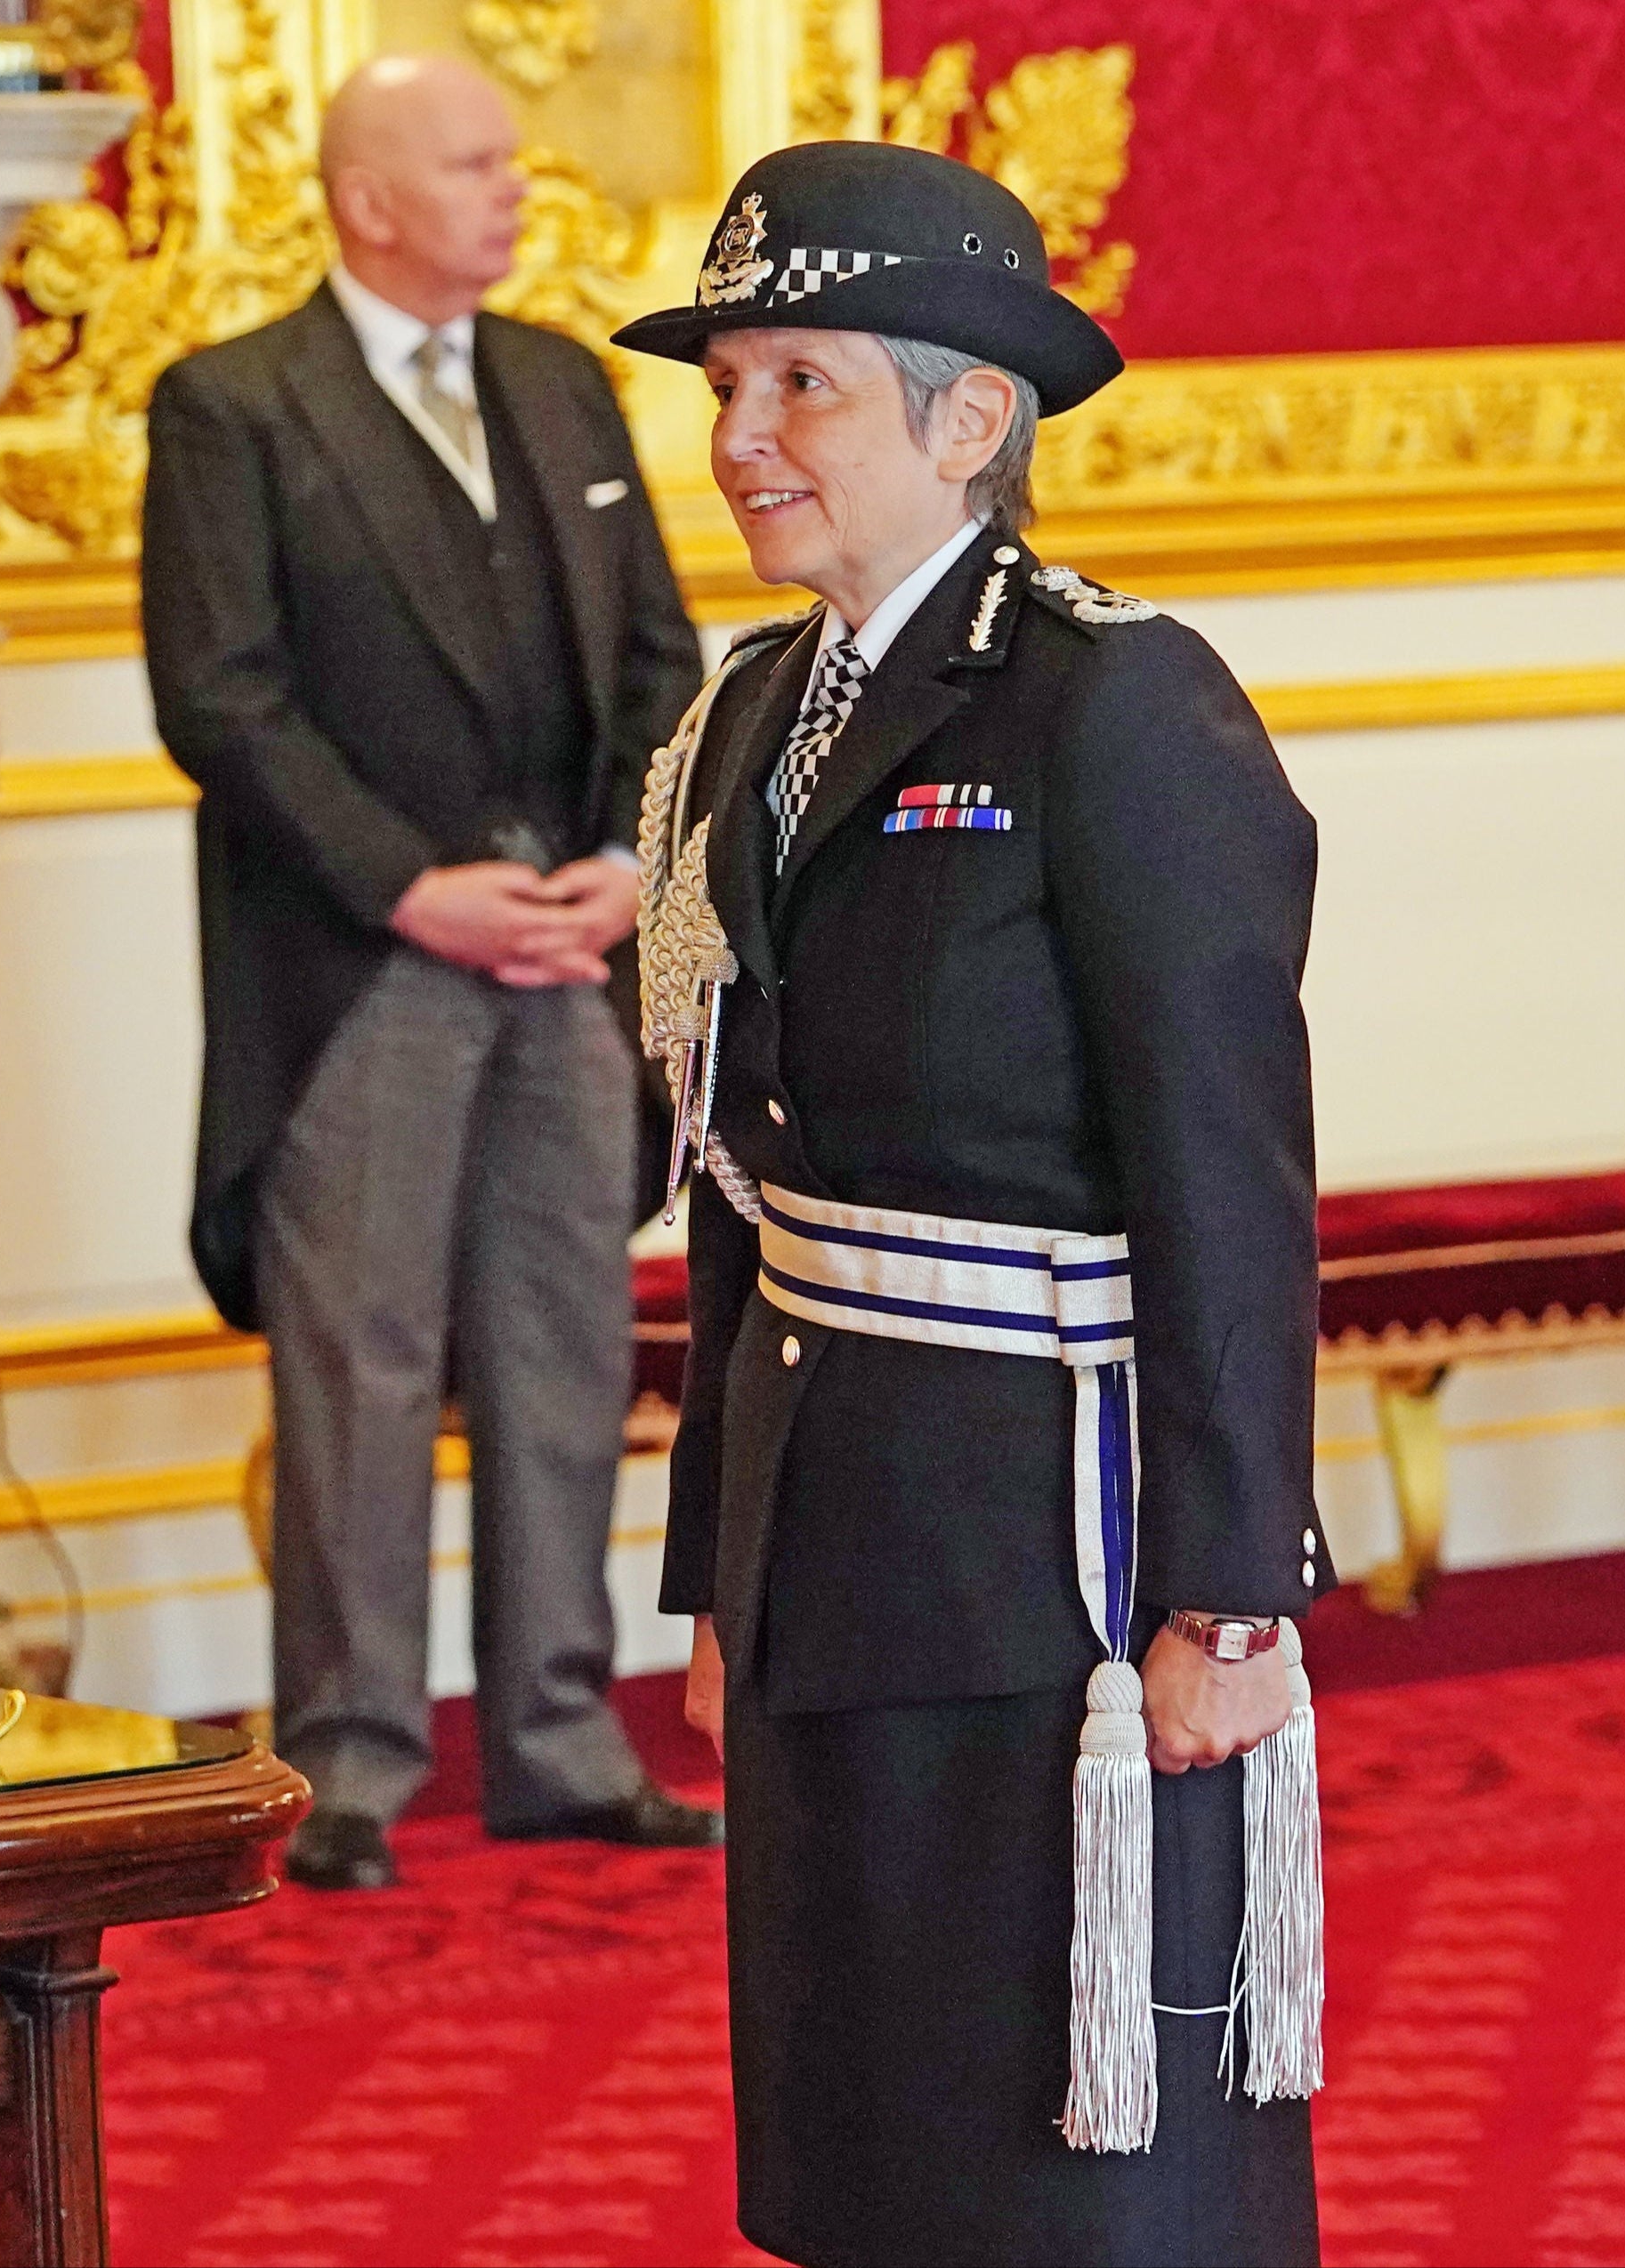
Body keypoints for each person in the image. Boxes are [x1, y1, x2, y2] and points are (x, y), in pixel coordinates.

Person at [614, 141, 1323, 2263]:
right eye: (722, 387)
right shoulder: (745, 716)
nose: (737, 441)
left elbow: (1224, 1167)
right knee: (867, 2119)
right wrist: (714, 1575)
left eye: (797, 385)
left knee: (1068, 2151)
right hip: (829, 1533)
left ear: (966, 416)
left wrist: (1227, 1594)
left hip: (1060, 1554)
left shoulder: (1108, 702)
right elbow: (738, 1179)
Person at [143, 52, 716, 1893]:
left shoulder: (559, 384)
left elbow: (658, 663)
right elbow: (220, 700)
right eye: (472, 164)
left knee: (561, 1359)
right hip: (359, 968)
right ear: (367, 196)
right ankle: (349, 1763)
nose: (512, 187)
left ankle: (556, 1737)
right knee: (361, 1370)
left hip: (566, 953)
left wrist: (625, 870)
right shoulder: (233, 407)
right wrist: (416, 890)